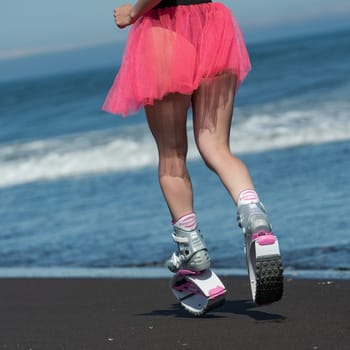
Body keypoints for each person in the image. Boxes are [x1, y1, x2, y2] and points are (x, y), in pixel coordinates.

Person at [103, 0, 283, 304]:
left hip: (165, 28)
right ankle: (254, 216)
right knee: (217, 148)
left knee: (172, 158)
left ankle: (192, 253)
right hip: (213, 24)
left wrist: (134, 12)